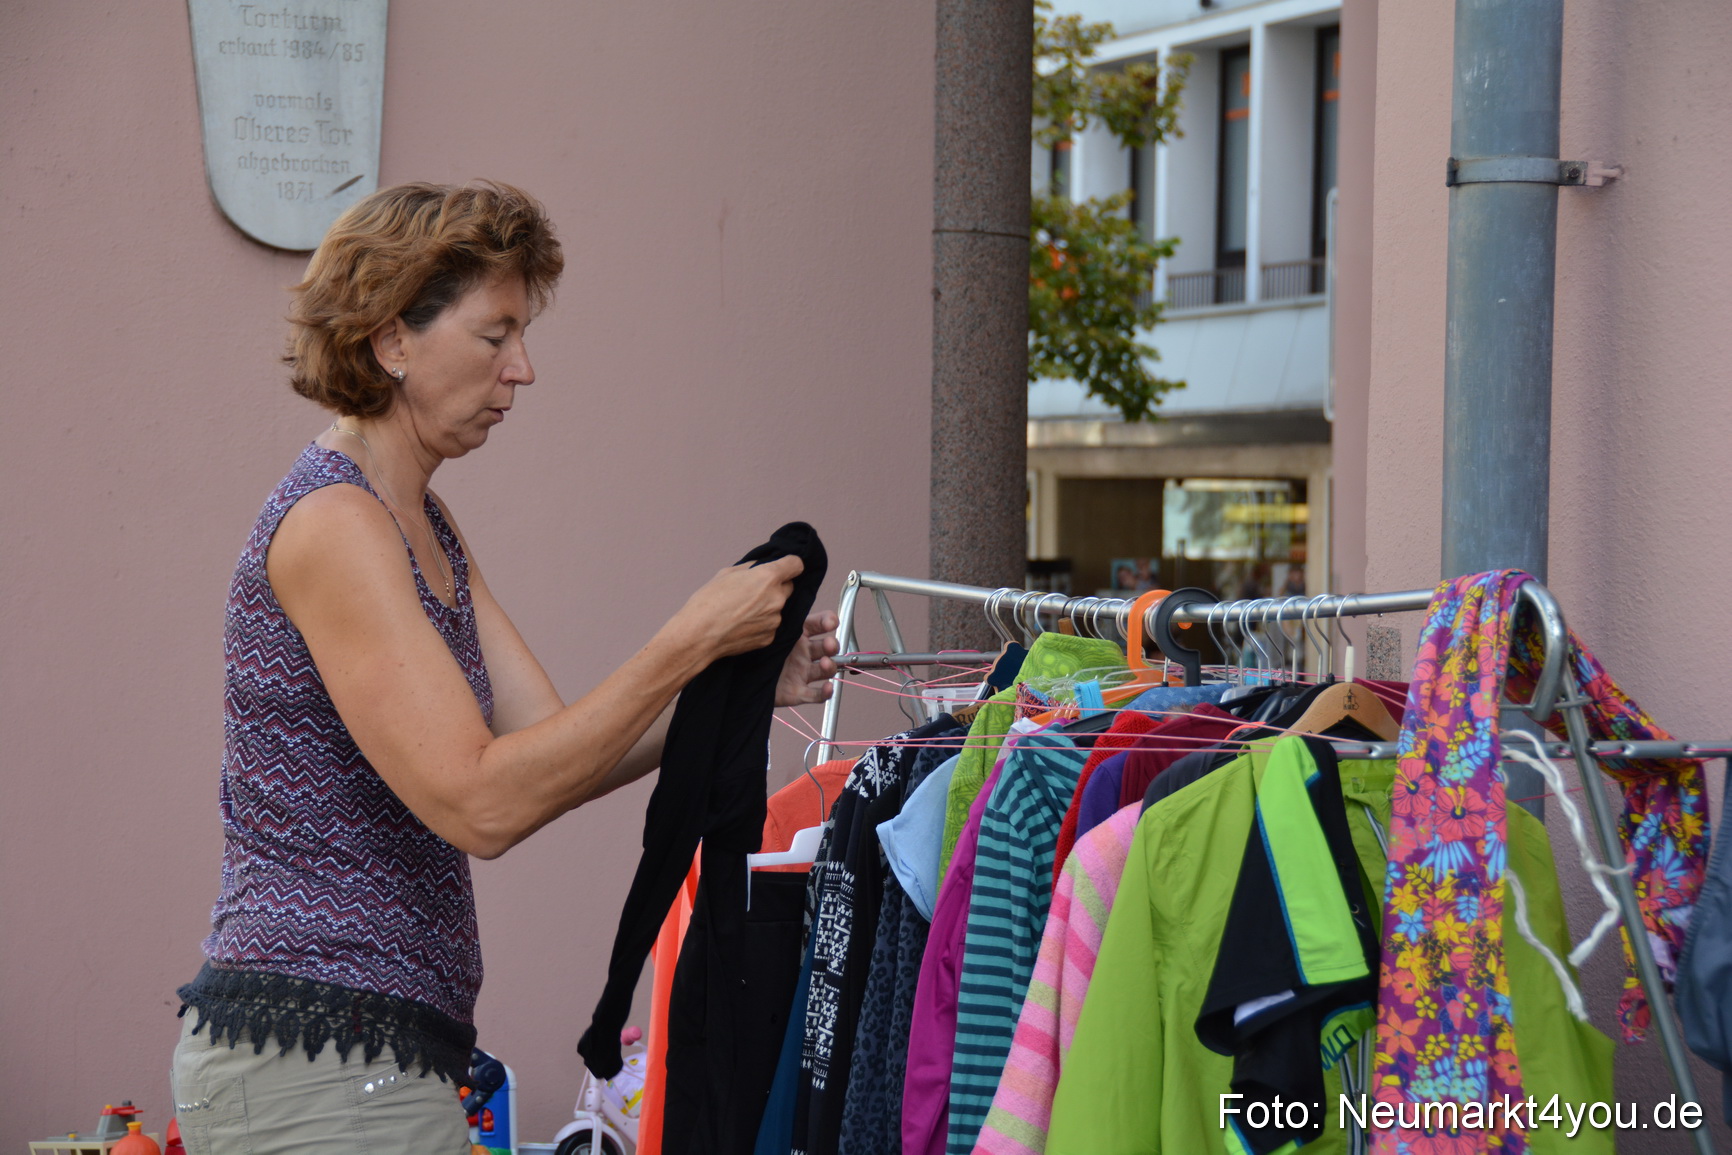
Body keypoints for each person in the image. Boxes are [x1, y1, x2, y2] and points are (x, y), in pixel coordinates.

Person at [170, 182, 839, 1154]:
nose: (522, 369)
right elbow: (483, 806)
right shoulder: (335, 525)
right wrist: (687, 639)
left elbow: (548, 752)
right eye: (495, 335)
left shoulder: (421, 522)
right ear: (392, 341)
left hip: (366, 1060)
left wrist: (726, 690)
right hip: (316, 1064)